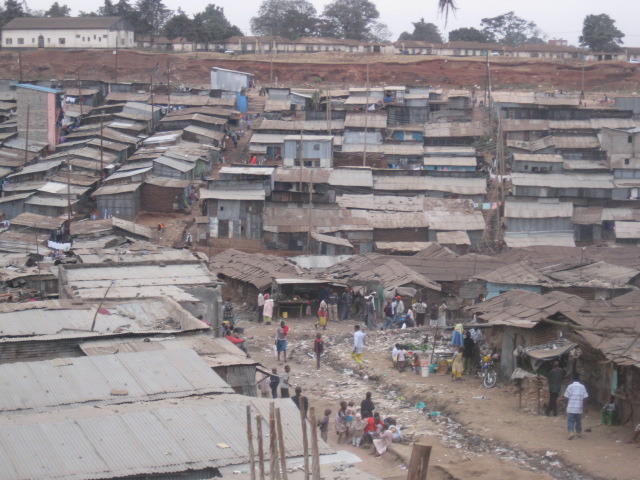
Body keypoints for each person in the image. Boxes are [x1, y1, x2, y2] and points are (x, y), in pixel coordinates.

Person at [564, 373, 589, 440]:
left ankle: (571, 432)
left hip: (571, 407)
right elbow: (585, 397)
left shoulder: (570, 386)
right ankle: (578, 432)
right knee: (578, 420)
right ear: (579, 379)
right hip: (579, 407)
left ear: (572, 379)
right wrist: (585, 407)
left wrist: (566, 405)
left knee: (570, 420)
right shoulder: (582, 387)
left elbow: (566, 397)